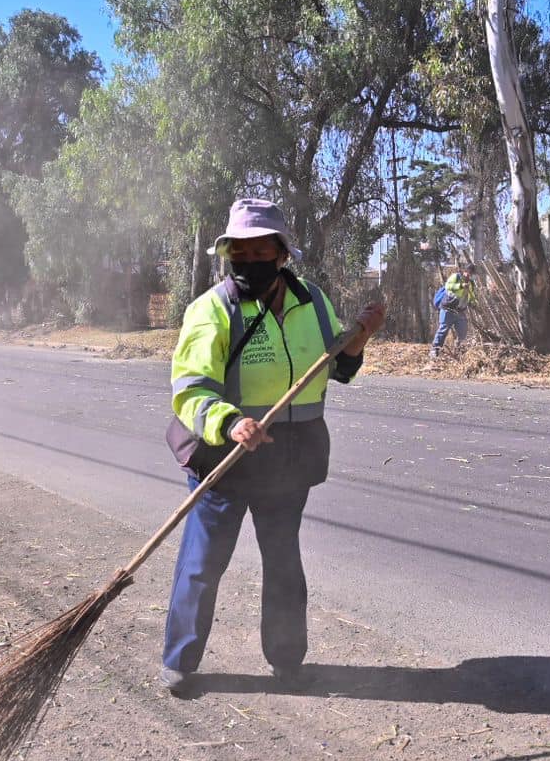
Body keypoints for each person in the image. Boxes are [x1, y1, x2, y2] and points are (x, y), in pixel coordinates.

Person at [161, 198, 385, 695]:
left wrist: (360, 338)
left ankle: (287, 661)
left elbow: (336, 368)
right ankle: (180, 661)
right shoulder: (212, 309)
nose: (249, 264)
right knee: (203, 563)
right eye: (239, 254)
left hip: (288, 462)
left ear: (282, 256)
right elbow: (190, 390)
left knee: (283, 563)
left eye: (261, 253)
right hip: (227, 456)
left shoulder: (313, 302)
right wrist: (229, 421)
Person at [429, 267, 475, 358]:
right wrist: (460, 286)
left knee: (463, 331)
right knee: (443, 330)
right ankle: (435, 350)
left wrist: (474, 303)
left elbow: (471, 296)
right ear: (464, 271)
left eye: (472, 274)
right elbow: (448, 286)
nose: (469, 275)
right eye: (468, 272)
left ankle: (459, 350)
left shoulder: (471, 283)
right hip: (448, 309)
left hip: (460, 311)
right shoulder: (456, 277)